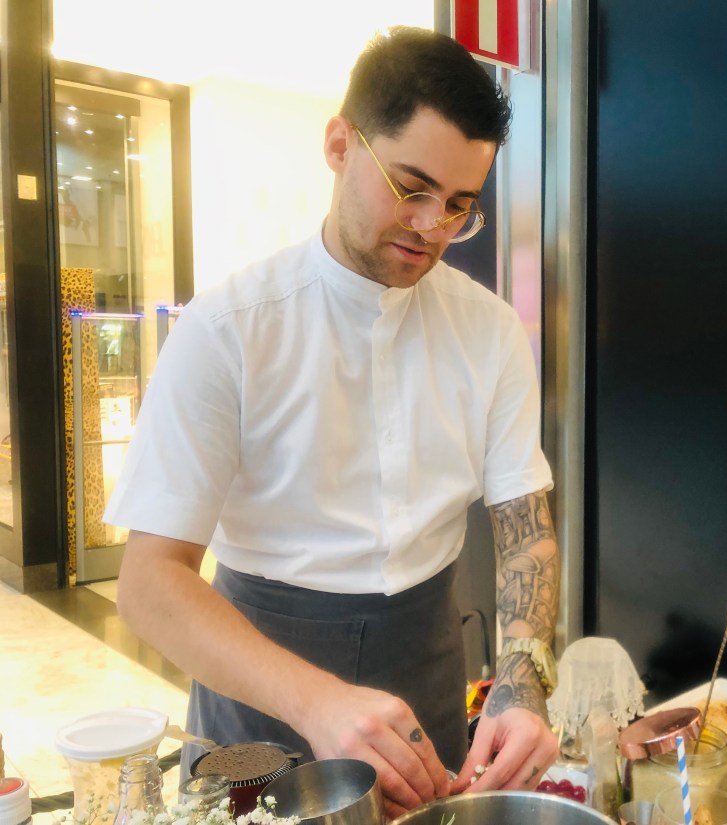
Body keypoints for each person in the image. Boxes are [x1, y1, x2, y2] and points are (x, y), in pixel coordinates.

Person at [104, 27, 560, 819]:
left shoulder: (489, 331)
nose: (432, 227)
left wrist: (523, 681)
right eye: (411, 188)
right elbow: (147, 584)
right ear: (341, 145)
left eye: (459, 206)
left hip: (424, 676)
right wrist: (316, 701)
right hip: (257, 689)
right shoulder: (229, 328)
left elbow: (526, 532)